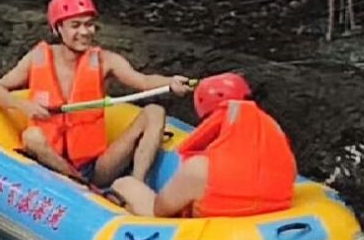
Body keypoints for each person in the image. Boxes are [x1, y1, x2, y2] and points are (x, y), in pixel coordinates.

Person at [0, 0, 187, 196]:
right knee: (32, 136)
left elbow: (143, 81)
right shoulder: (36, 58)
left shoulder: (105, 60)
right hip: (49, 160)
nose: (84, 32)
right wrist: (25, 106)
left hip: (94, 167)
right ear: (58, 29)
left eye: (89, 24)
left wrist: (170, 82)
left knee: (155, 111)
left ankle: (136, 186)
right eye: (75, 25)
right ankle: (79, 185)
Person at [112, 72, 295, 220]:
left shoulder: (199, 169)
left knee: (124, 184)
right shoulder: (283, 157)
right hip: (264, 226)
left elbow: (160, 210)